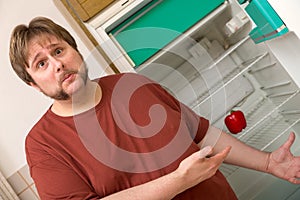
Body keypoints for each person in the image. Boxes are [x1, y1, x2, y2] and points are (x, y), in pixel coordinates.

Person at [9, 16, 300, 200]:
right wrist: (179, 181)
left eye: (59, 51)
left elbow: (200, 134)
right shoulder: (43, 145)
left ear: (75, 51)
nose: (58, 64)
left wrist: (267, 163)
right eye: (42, 64)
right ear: (33, 83)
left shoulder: (130, 85)